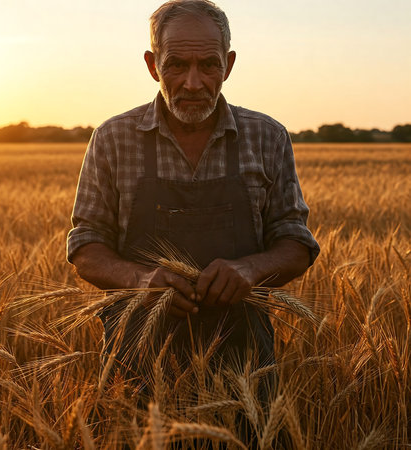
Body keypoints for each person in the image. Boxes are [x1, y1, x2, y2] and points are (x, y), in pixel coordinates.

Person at [67, 0, 319, 445]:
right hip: (137, 363)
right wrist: (141, 279)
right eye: (176, 65)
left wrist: (250, 269)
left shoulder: (267, 136)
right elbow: (86, 246)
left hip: (244, 365)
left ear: (230, 64)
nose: (193, 82)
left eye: (209, 65)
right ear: (151, 65)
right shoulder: (113, 139)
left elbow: (296, 242)